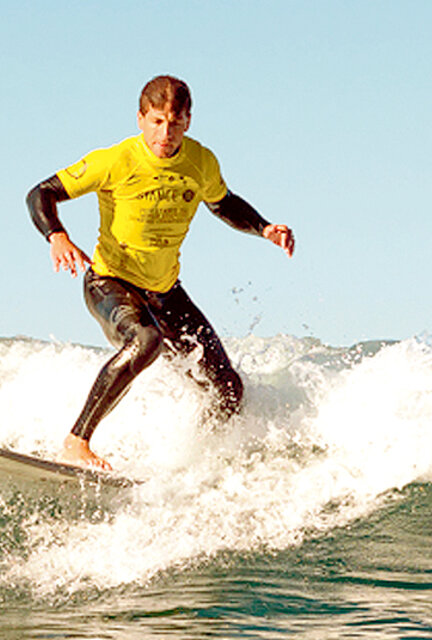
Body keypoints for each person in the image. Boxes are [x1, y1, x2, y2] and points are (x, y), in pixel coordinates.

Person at [26, 75, 294, 470]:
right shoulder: (116, 160)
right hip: (109, 282)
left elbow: (224, 204)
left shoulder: (201, 162)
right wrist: (56, 235)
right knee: (145, 340)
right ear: (140, 119)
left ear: (187, 121)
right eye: (156, 121)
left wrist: (264, 228)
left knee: (228, 387)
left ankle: (199, 462)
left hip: (165, 292)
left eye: (174, 122)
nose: (165, 133)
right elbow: (41, 193)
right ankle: (76, 442)